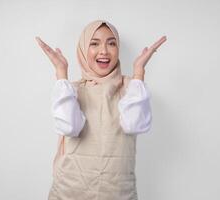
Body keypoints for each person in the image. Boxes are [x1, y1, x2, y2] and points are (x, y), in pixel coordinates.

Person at [36, 19, 166, 200]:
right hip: (69, 192)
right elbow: (69, 128)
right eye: (94, 43)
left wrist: (139, 72)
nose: (104, 51)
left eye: (111, 43)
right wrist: (61, 72)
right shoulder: (70, 90)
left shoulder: (132, 88)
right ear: (83, 49)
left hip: (118, 193)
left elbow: (134, 125)